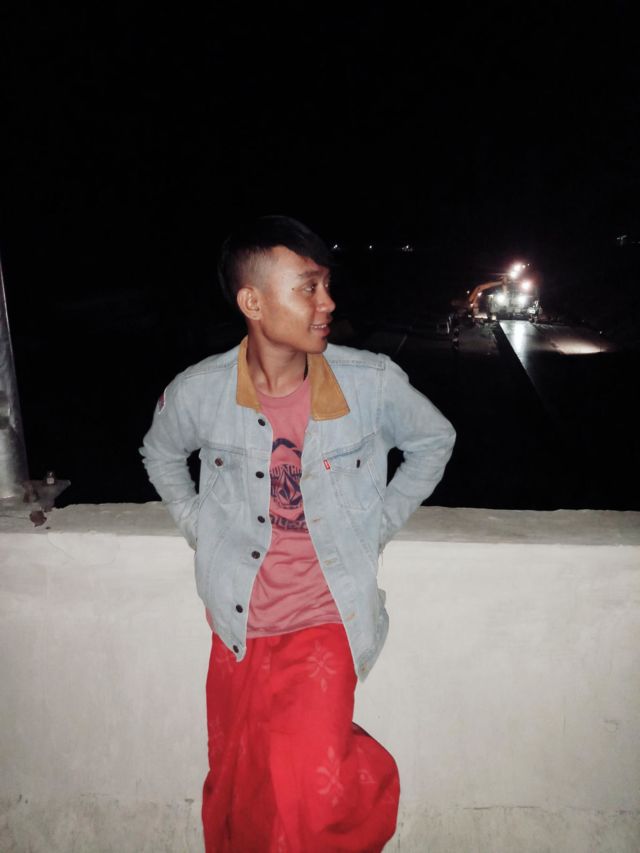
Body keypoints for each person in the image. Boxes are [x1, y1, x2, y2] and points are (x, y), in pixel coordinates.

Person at [140, 215, 456, 852]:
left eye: (326, 285)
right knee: (240, 784)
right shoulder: (200, 392)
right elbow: (160, 454)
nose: (327, 303)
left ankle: (369, 785)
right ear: (253, 302)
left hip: (324, 619)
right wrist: (199, 526)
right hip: (239, 622)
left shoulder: (370, 383)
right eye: (308, 287)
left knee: (310, 792)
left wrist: (378, 525)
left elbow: (433, 441)